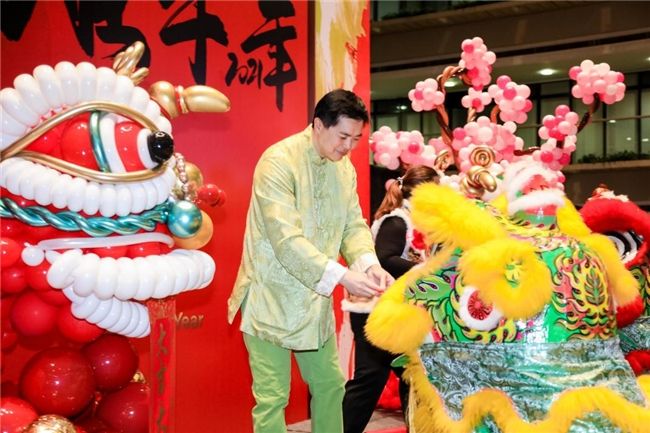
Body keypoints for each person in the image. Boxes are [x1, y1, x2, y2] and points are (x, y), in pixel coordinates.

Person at [227, 89, 395, 433]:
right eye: (343, 136)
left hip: (314, 301)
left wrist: (369, 265)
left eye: (356, 139)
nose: (348, 147)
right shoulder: (278, 161)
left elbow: (353, 225)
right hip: (269, 297)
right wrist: (343, 277)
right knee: (273, 396)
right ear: (319, 125)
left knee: (330, 385)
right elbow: (285, 240)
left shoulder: (343, 169)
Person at [342, 165, 438, 433]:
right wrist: (426, 269)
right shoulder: (397, 222)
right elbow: (385, 259)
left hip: (395, 312)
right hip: (375, 311)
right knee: (371, 378)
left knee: (413, 377)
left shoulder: (415, 222)